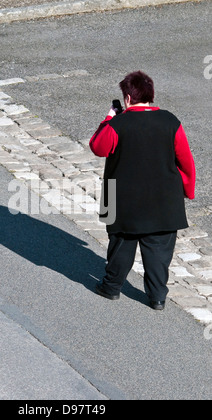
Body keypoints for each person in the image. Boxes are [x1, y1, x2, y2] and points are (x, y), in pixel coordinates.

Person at [89, 71, 196, 310]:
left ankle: (111, 287)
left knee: (121, 243)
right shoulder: (171, 121)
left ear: (127, 98)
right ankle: (157, 297)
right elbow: (186, 161)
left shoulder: (117, 124)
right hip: (164, 200)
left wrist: (109, 117)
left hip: (119, 198)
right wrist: (187, 190)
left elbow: (98, 147)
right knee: (159, 250)